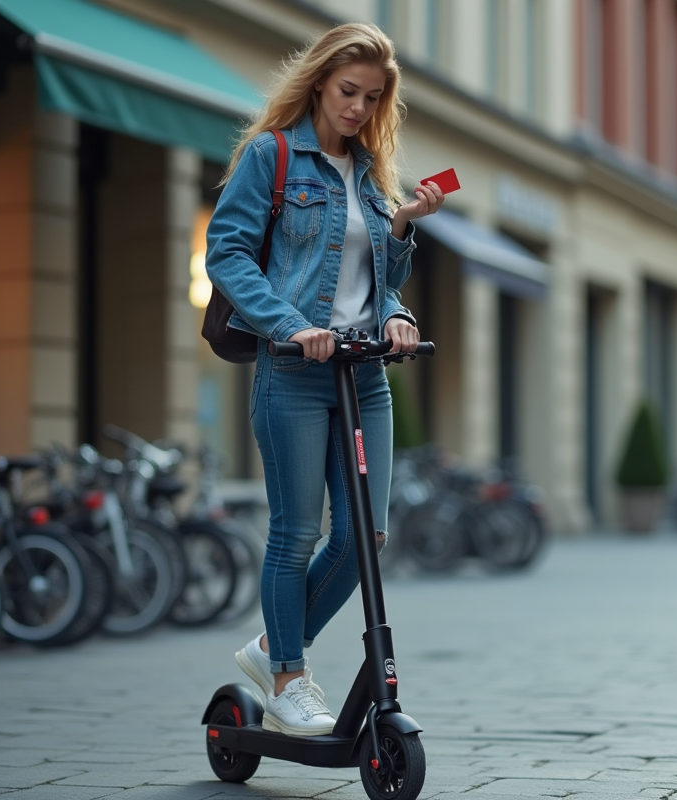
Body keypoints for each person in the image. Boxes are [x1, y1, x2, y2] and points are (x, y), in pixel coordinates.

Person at [205, 23, 445, 736]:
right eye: (348, 91)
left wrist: (398, 269)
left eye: (372, 98)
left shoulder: (371, 174)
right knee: (296, 534)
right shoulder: (271, 156)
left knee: (367, 537)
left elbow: (379, 284)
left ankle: (273, 644)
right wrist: (289, 324)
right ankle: (287, 676)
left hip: (364, 376)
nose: (358, 108)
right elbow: (227, 253)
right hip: (294, 371)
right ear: (318, 83)